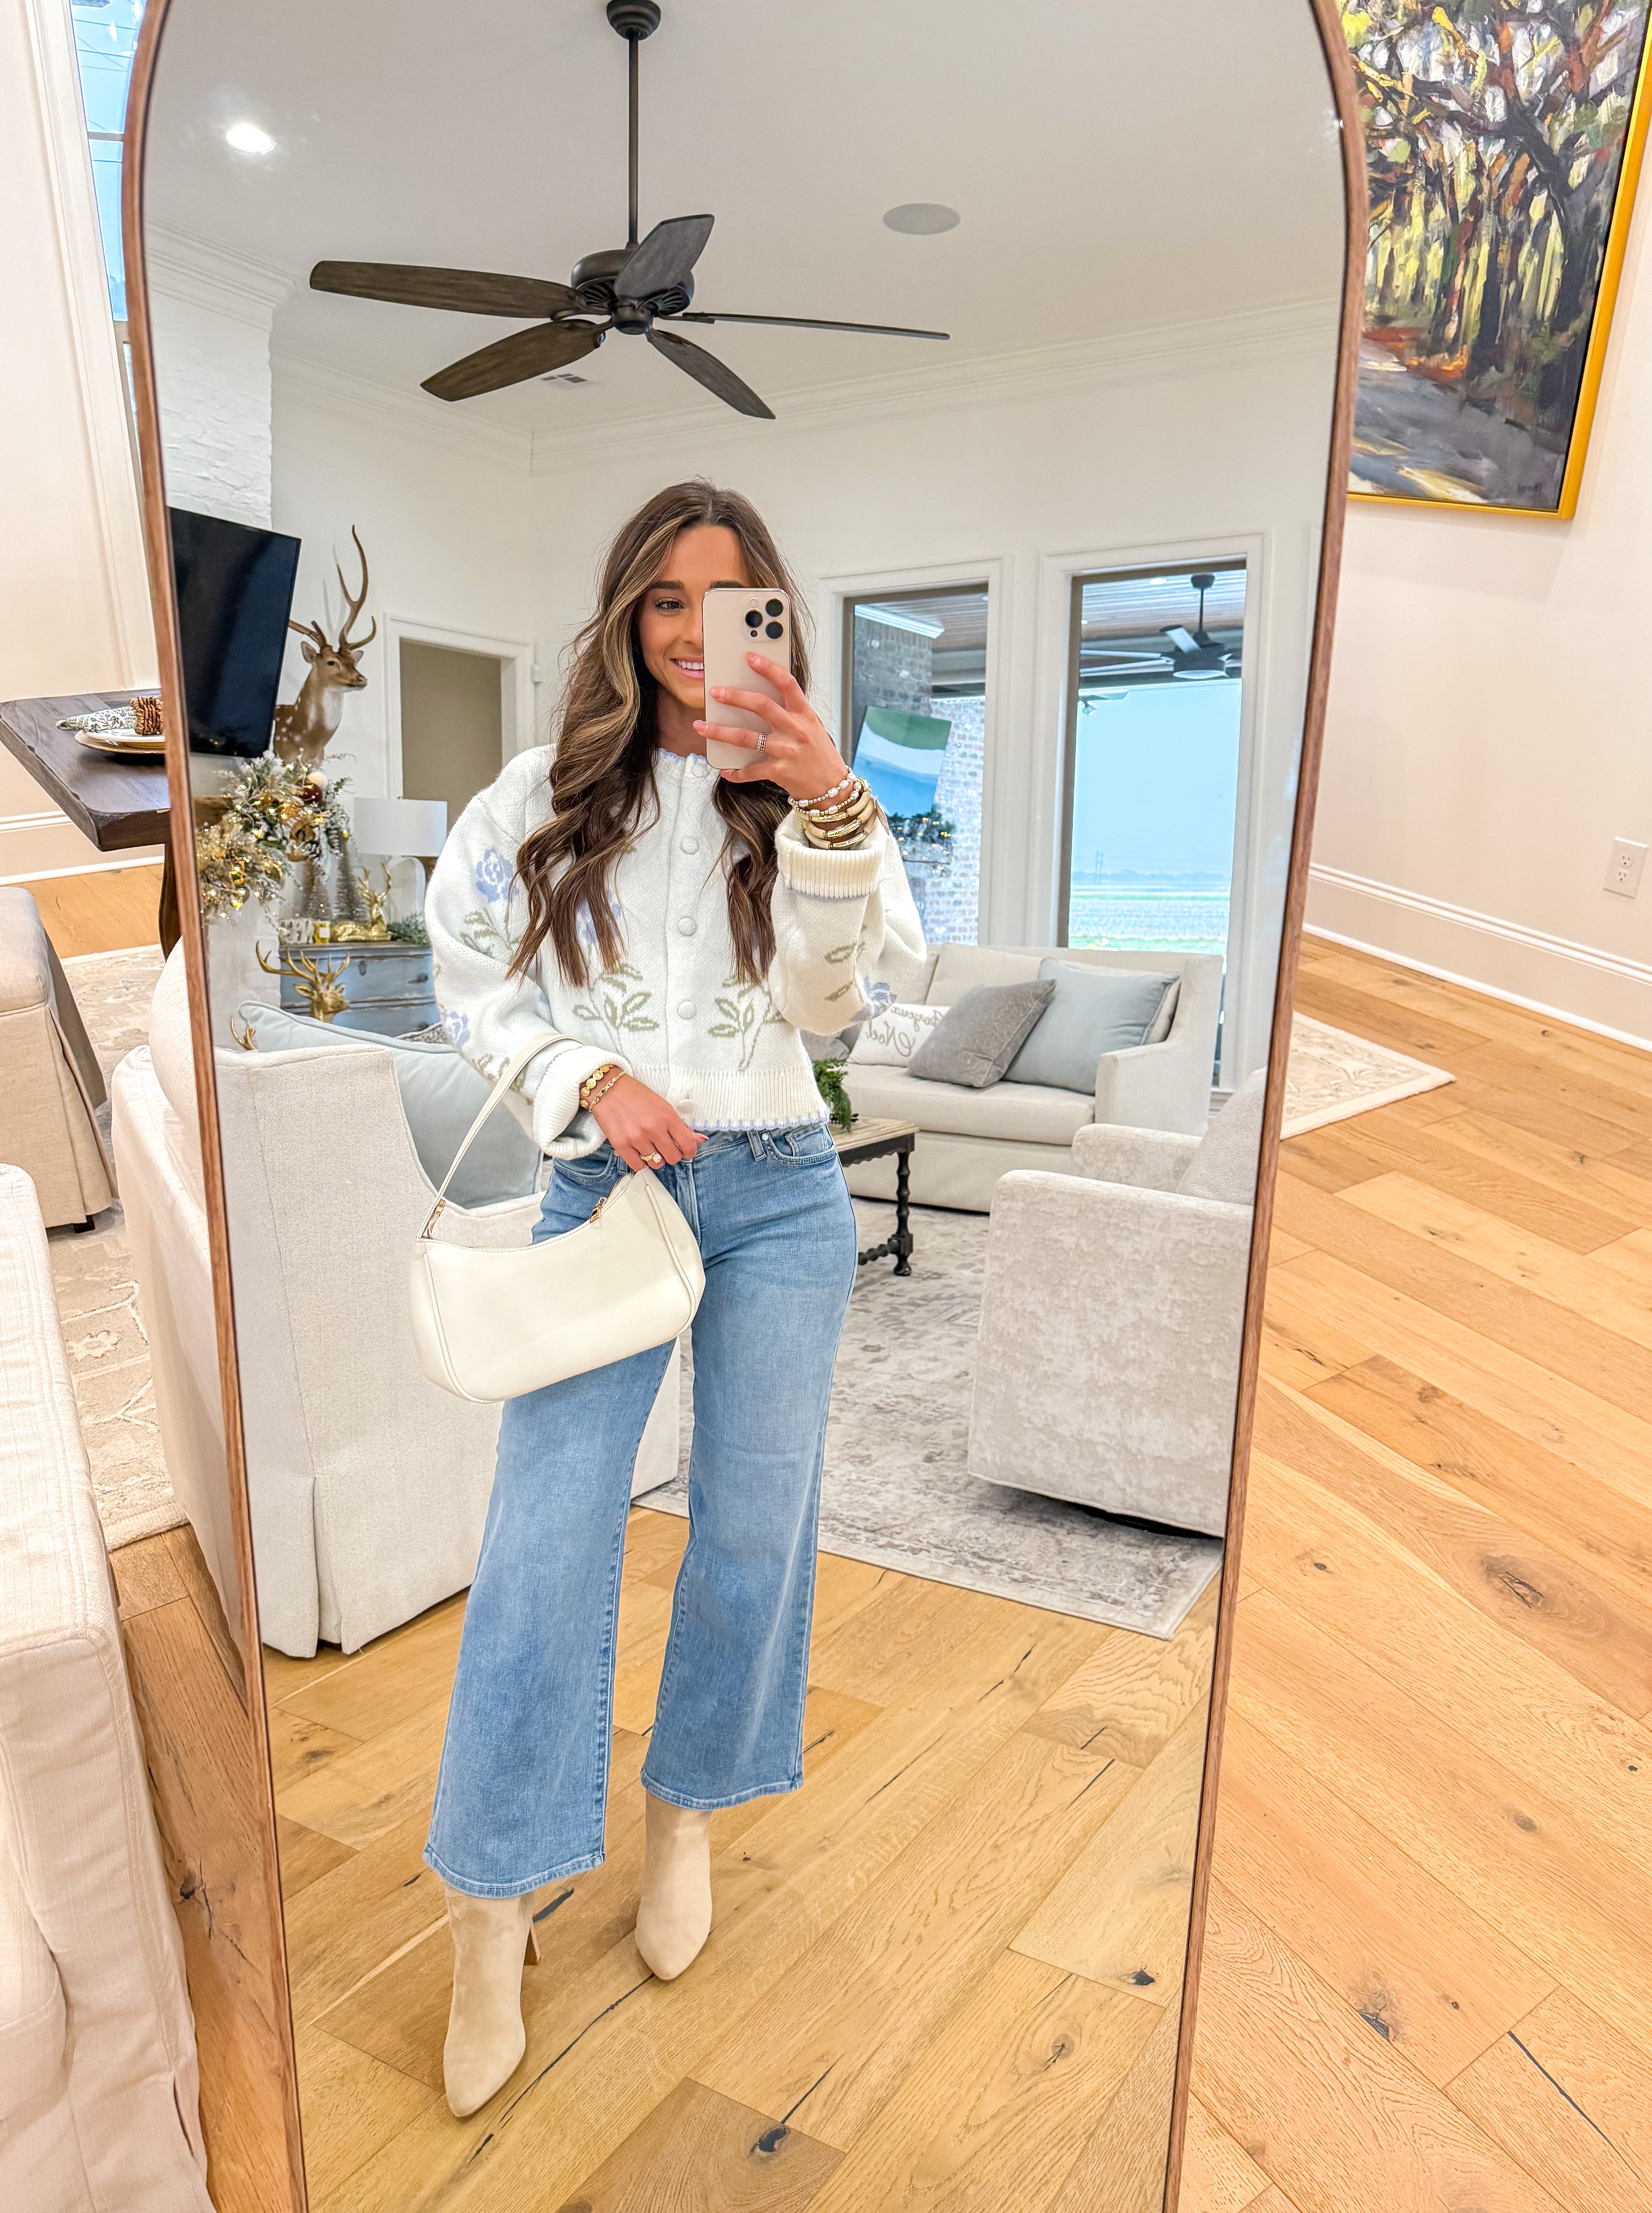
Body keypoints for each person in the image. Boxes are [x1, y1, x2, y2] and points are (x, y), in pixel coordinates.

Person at [420, 478, 925, 2115]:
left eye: (735, 607)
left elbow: (837, 1009)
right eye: (669, 606)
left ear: (776, 622)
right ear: (630, 622)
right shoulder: (542, 798)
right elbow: (471, 983)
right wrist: (588, 1069)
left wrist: (828, 799)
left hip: (783, 1189)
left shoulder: (818, 806)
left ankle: (684, 1815)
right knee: (543, 1541)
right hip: (606, 1185)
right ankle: (493, 1908)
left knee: (755, 1526)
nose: (703, 640)